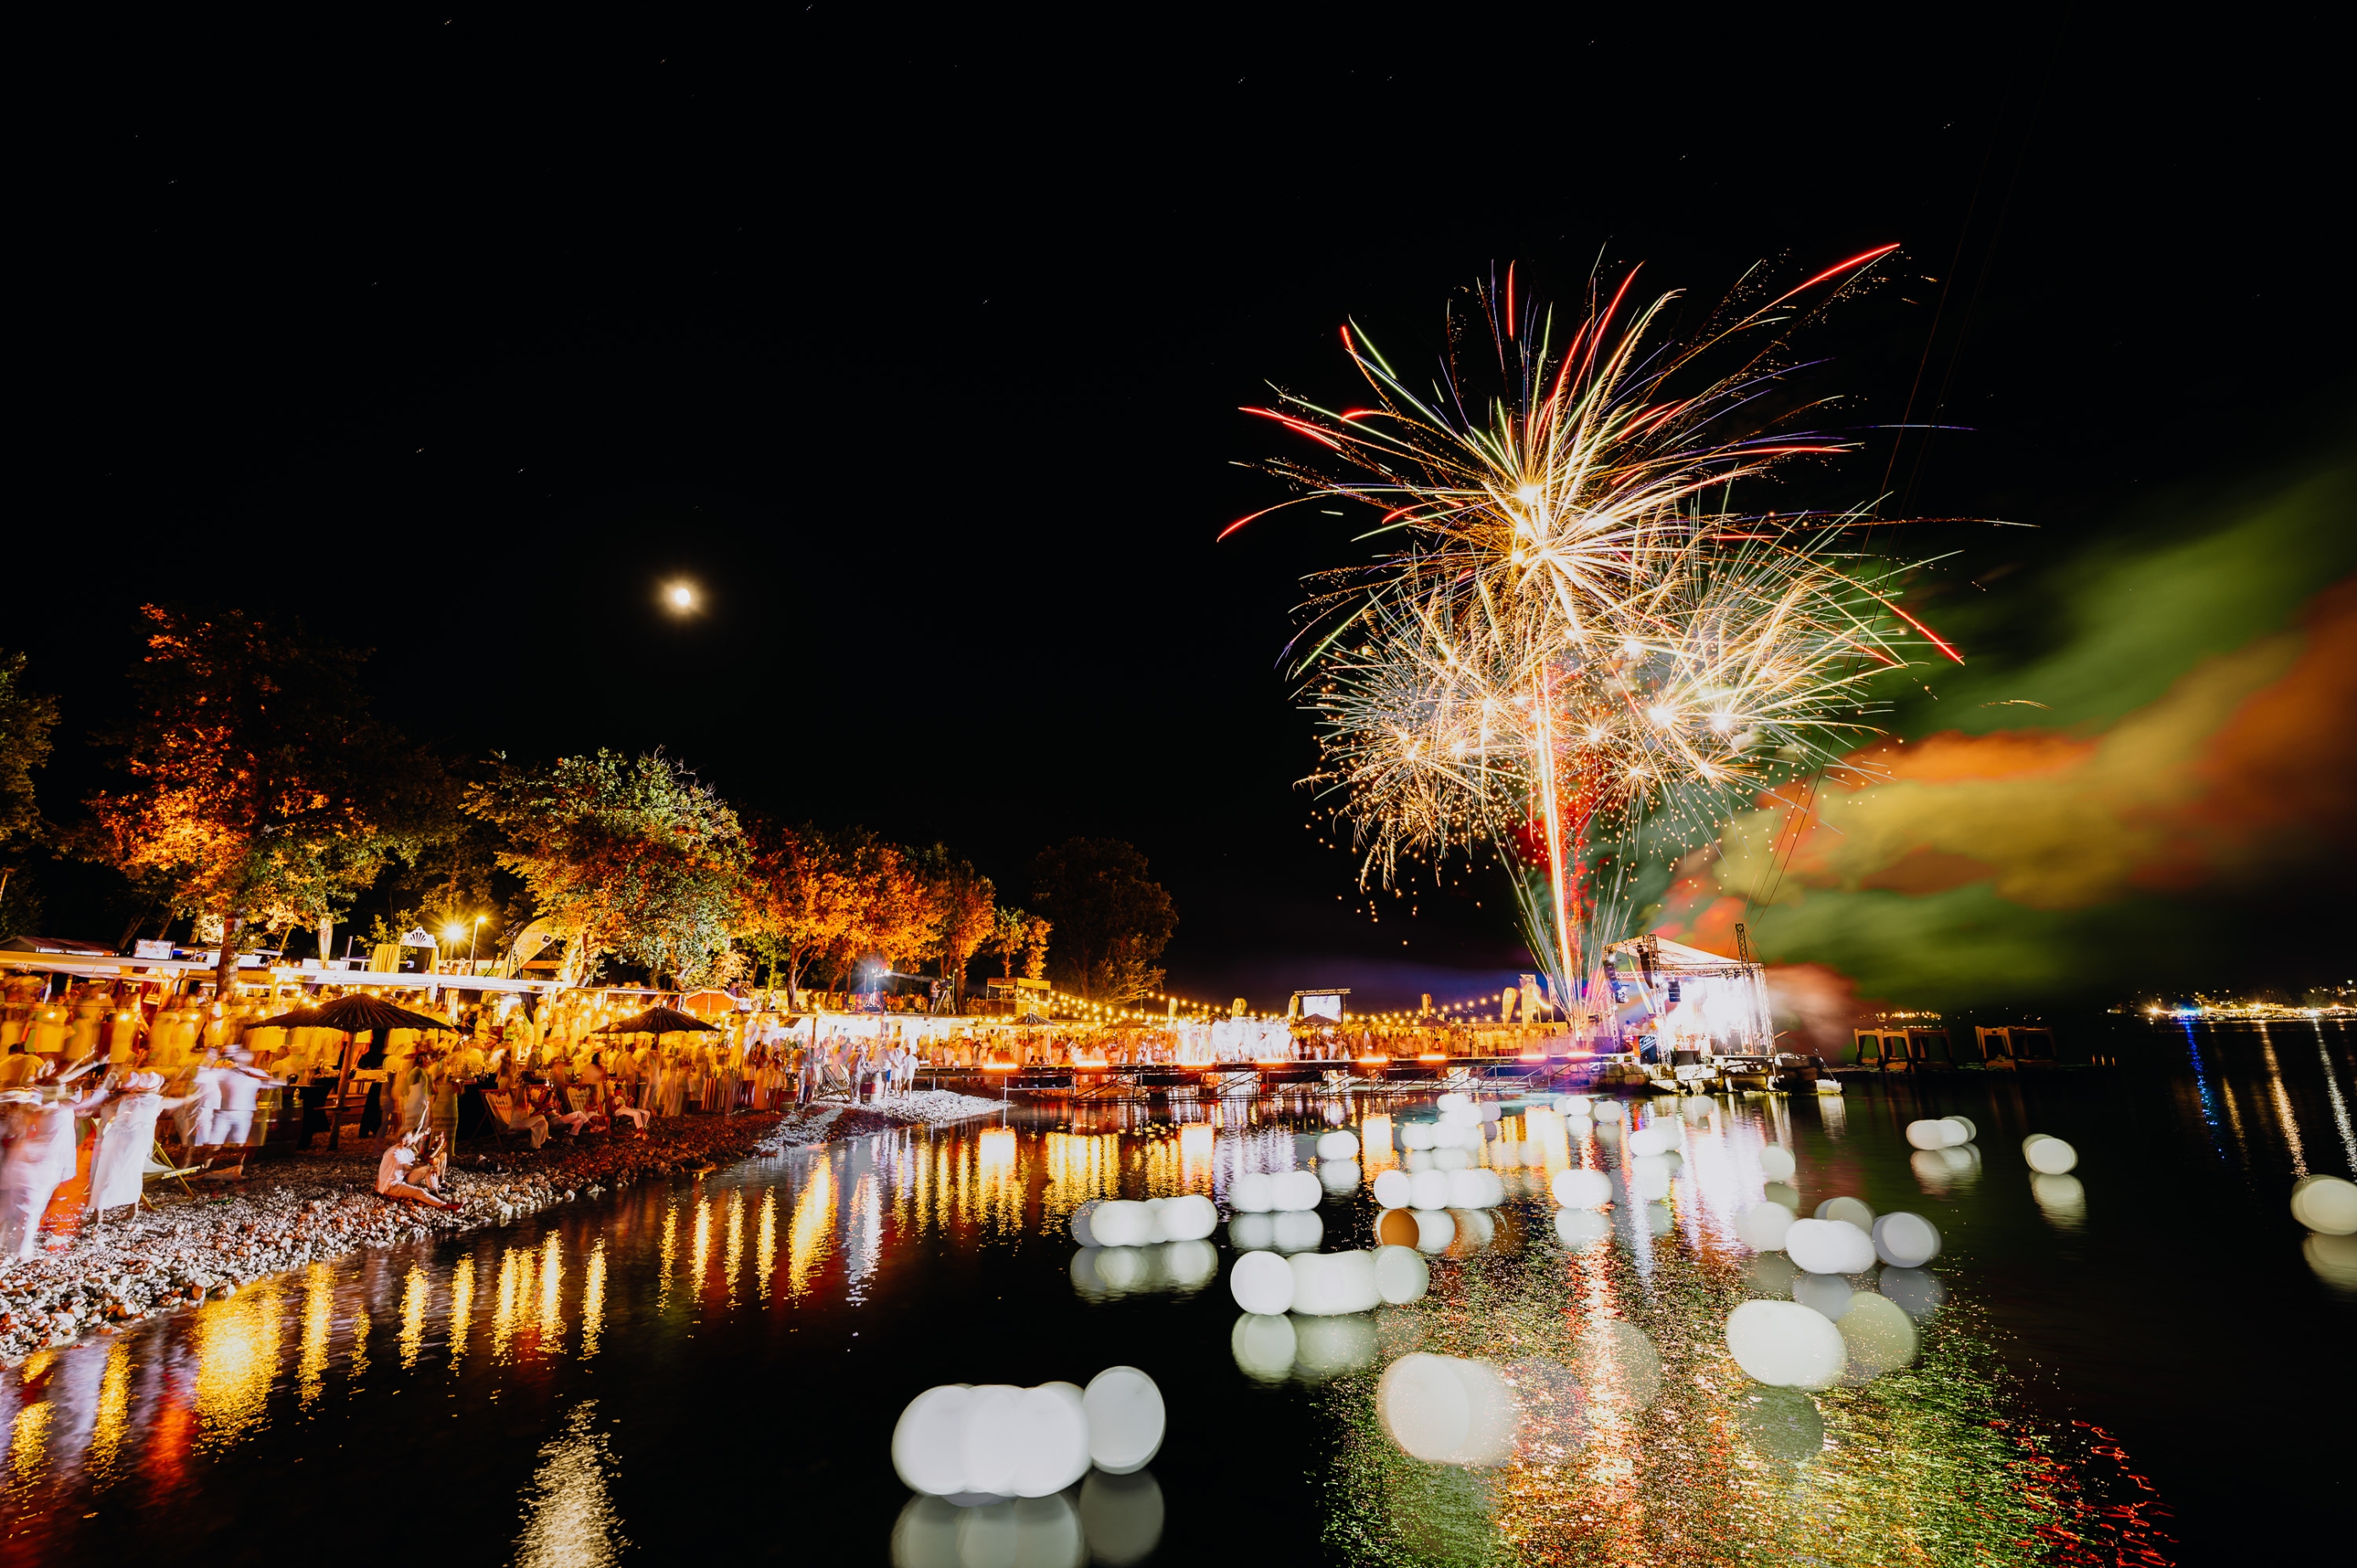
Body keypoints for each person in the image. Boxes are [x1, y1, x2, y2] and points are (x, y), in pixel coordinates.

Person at [87, 1069, 191, 1227]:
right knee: (132, 1173)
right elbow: (181, 1101)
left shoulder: (128, 1098)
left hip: (113, 1136)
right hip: (134, 1139)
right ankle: (132, 1209)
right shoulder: (158, 1101)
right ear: (155, 1088)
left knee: (105, 1172)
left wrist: (103, 1125)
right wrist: (196, 1095)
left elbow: (106, 1110)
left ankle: (98, 1215)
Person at [376, 1125, 457, 1210]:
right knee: (420, 1192)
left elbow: (416, 1140)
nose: (415, 1141)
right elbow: (410, 1167)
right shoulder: (395, 1153)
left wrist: (425, 1133)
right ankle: (444, 1205)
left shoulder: (406, 1148)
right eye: (412, 1139)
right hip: (391, 1187)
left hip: (402, 1179)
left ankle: (436, 1195)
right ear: (404, 1141)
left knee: (429, 1169)